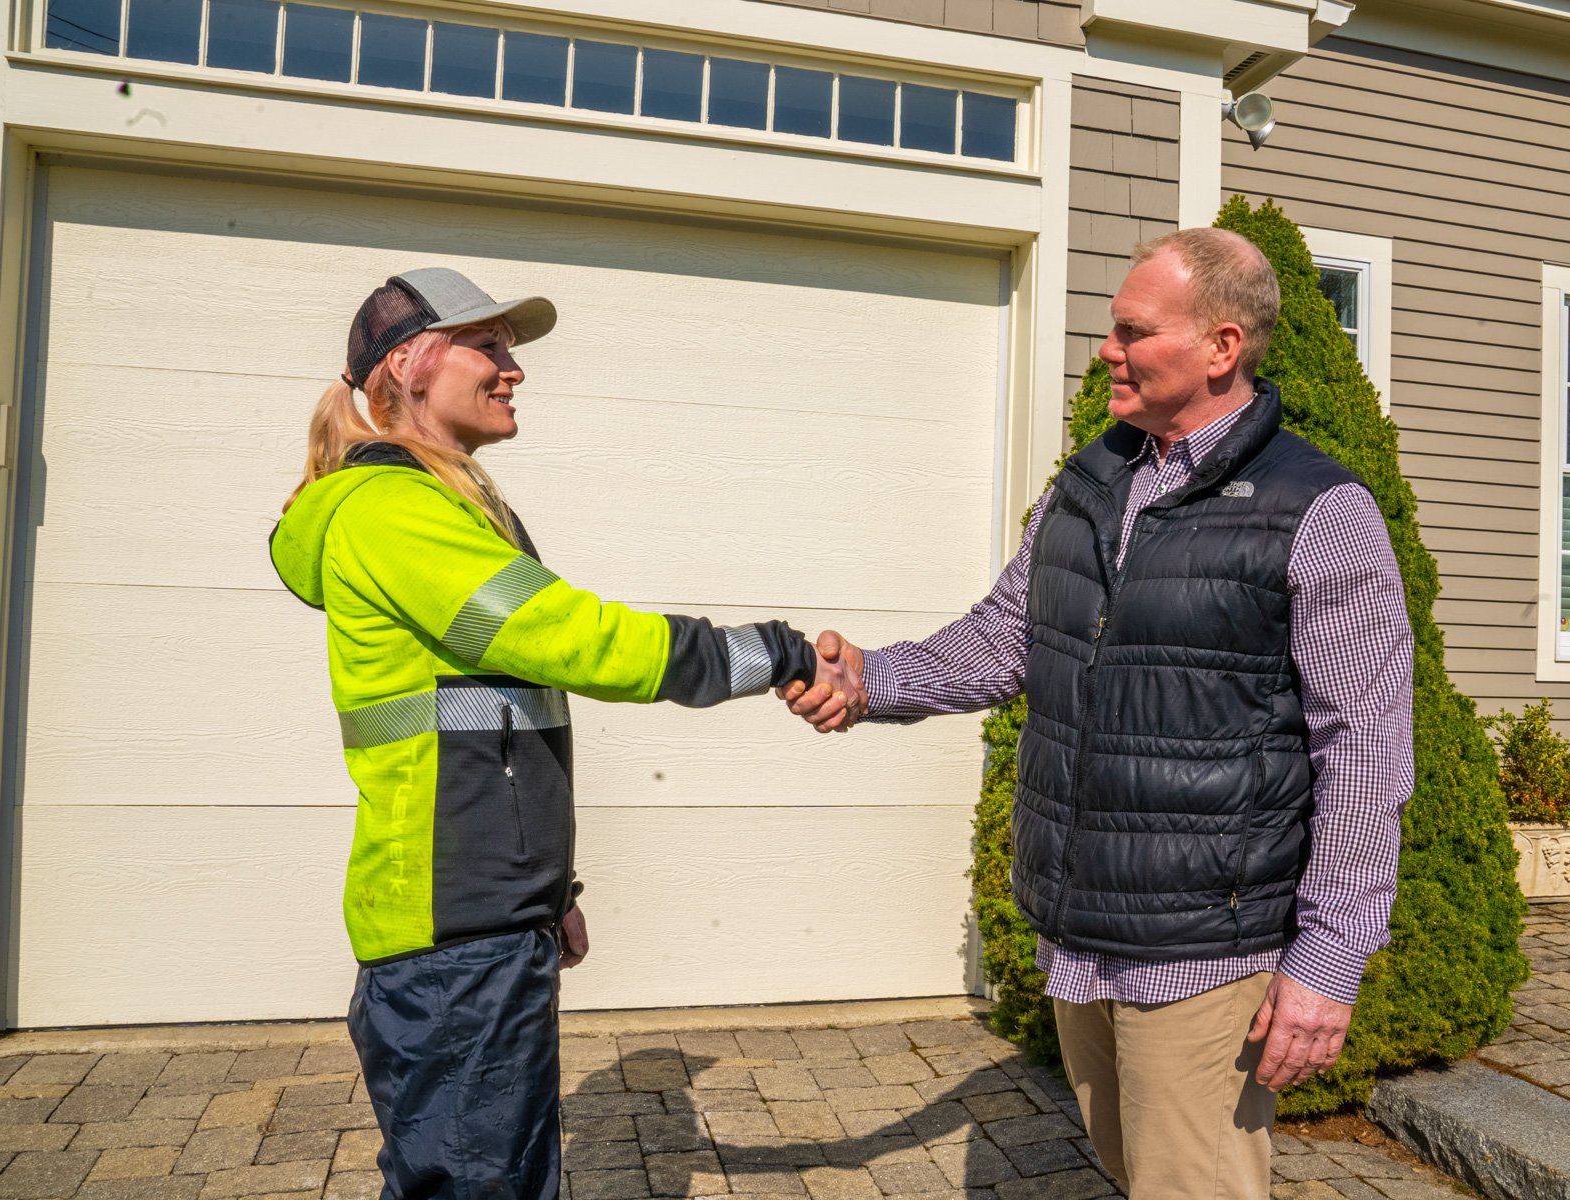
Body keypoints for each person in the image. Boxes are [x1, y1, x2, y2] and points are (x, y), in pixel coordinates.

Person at [786, 229, 1414, 1199]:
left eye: (1132, 331)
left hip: (1209, 941)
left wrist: (1329, 960)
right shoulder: (1090, 483)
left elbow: (1364, 753)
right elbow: (1006, 640)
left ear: (1221, 346)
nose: (1106, 352)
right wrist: (872, 679)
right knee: (1133, 1173)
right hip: (1085, 922)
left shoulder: (1317, 509)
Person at [270, 267, 843, 1200]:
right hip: (456, 937)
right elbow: (581, 641)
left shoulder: (441, 503)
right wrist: (776, 653)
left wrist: (545, 893)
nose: (512, 369)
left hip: (480, 920)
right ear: (410, 364)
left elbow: (494, 726)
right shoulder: (396, 512)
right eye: (486, 347)